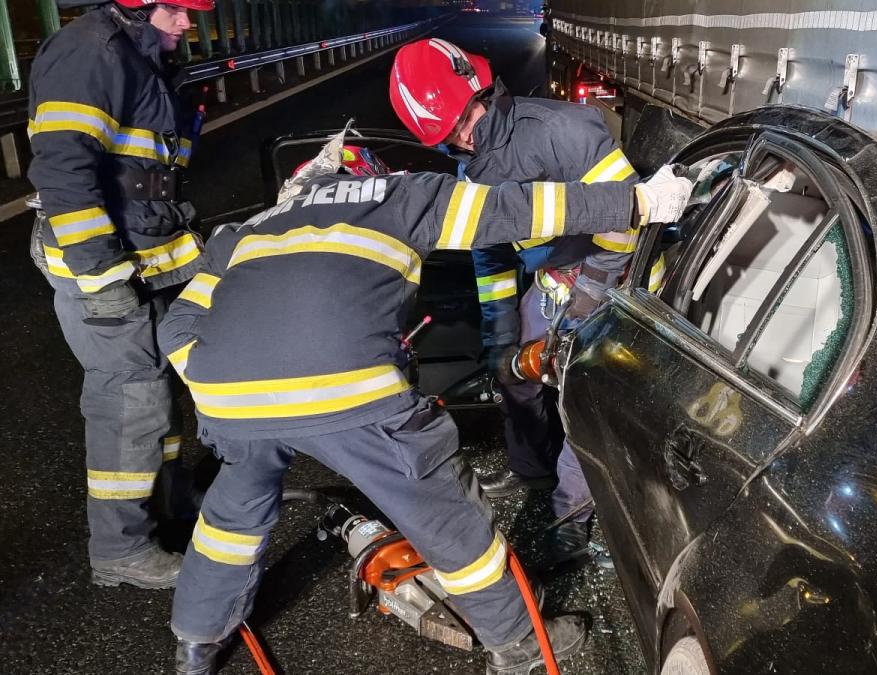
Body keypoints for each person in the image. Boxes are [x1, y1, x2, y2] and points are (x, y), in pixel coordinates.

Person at [163, 145, 692, 673]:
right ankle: (517, 644)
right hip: (348, 386)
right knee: (447, 516)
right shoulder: (397, 195)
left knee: (230, 522)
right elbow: (516, 210)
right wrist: (638, 202)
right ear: (366, 172)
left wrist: (224, 388)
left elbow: (177, 329)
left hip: (227, 395)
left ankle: (196, 644)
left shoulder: (249, 230)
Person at [390, 38, 657, 567]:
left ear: (481, 88)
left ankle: (569, 517)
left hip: (612, 278)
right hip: (555, 281)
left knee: (581, 394)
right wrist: (499, 329)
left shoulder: (564, 130)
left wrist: (591, 292)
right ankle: (531, 470)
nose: (463, 140)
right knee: (514, 373)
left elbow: (629, 216)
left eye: (466, 120)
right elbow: (489, 254)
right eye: (450, 137)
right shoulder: (471, 169)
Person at [26, 0, 213, 589]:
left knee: (159, 386)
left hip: (145, 253)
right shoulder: (90, 54)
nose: (188, 23)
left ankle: (170, 503)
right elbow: (62, 174)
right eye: (177, 10)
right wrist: (102, 276)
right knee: (130, 400)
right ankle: (119, 549)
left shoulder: (140, 56)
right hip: (104, 264)